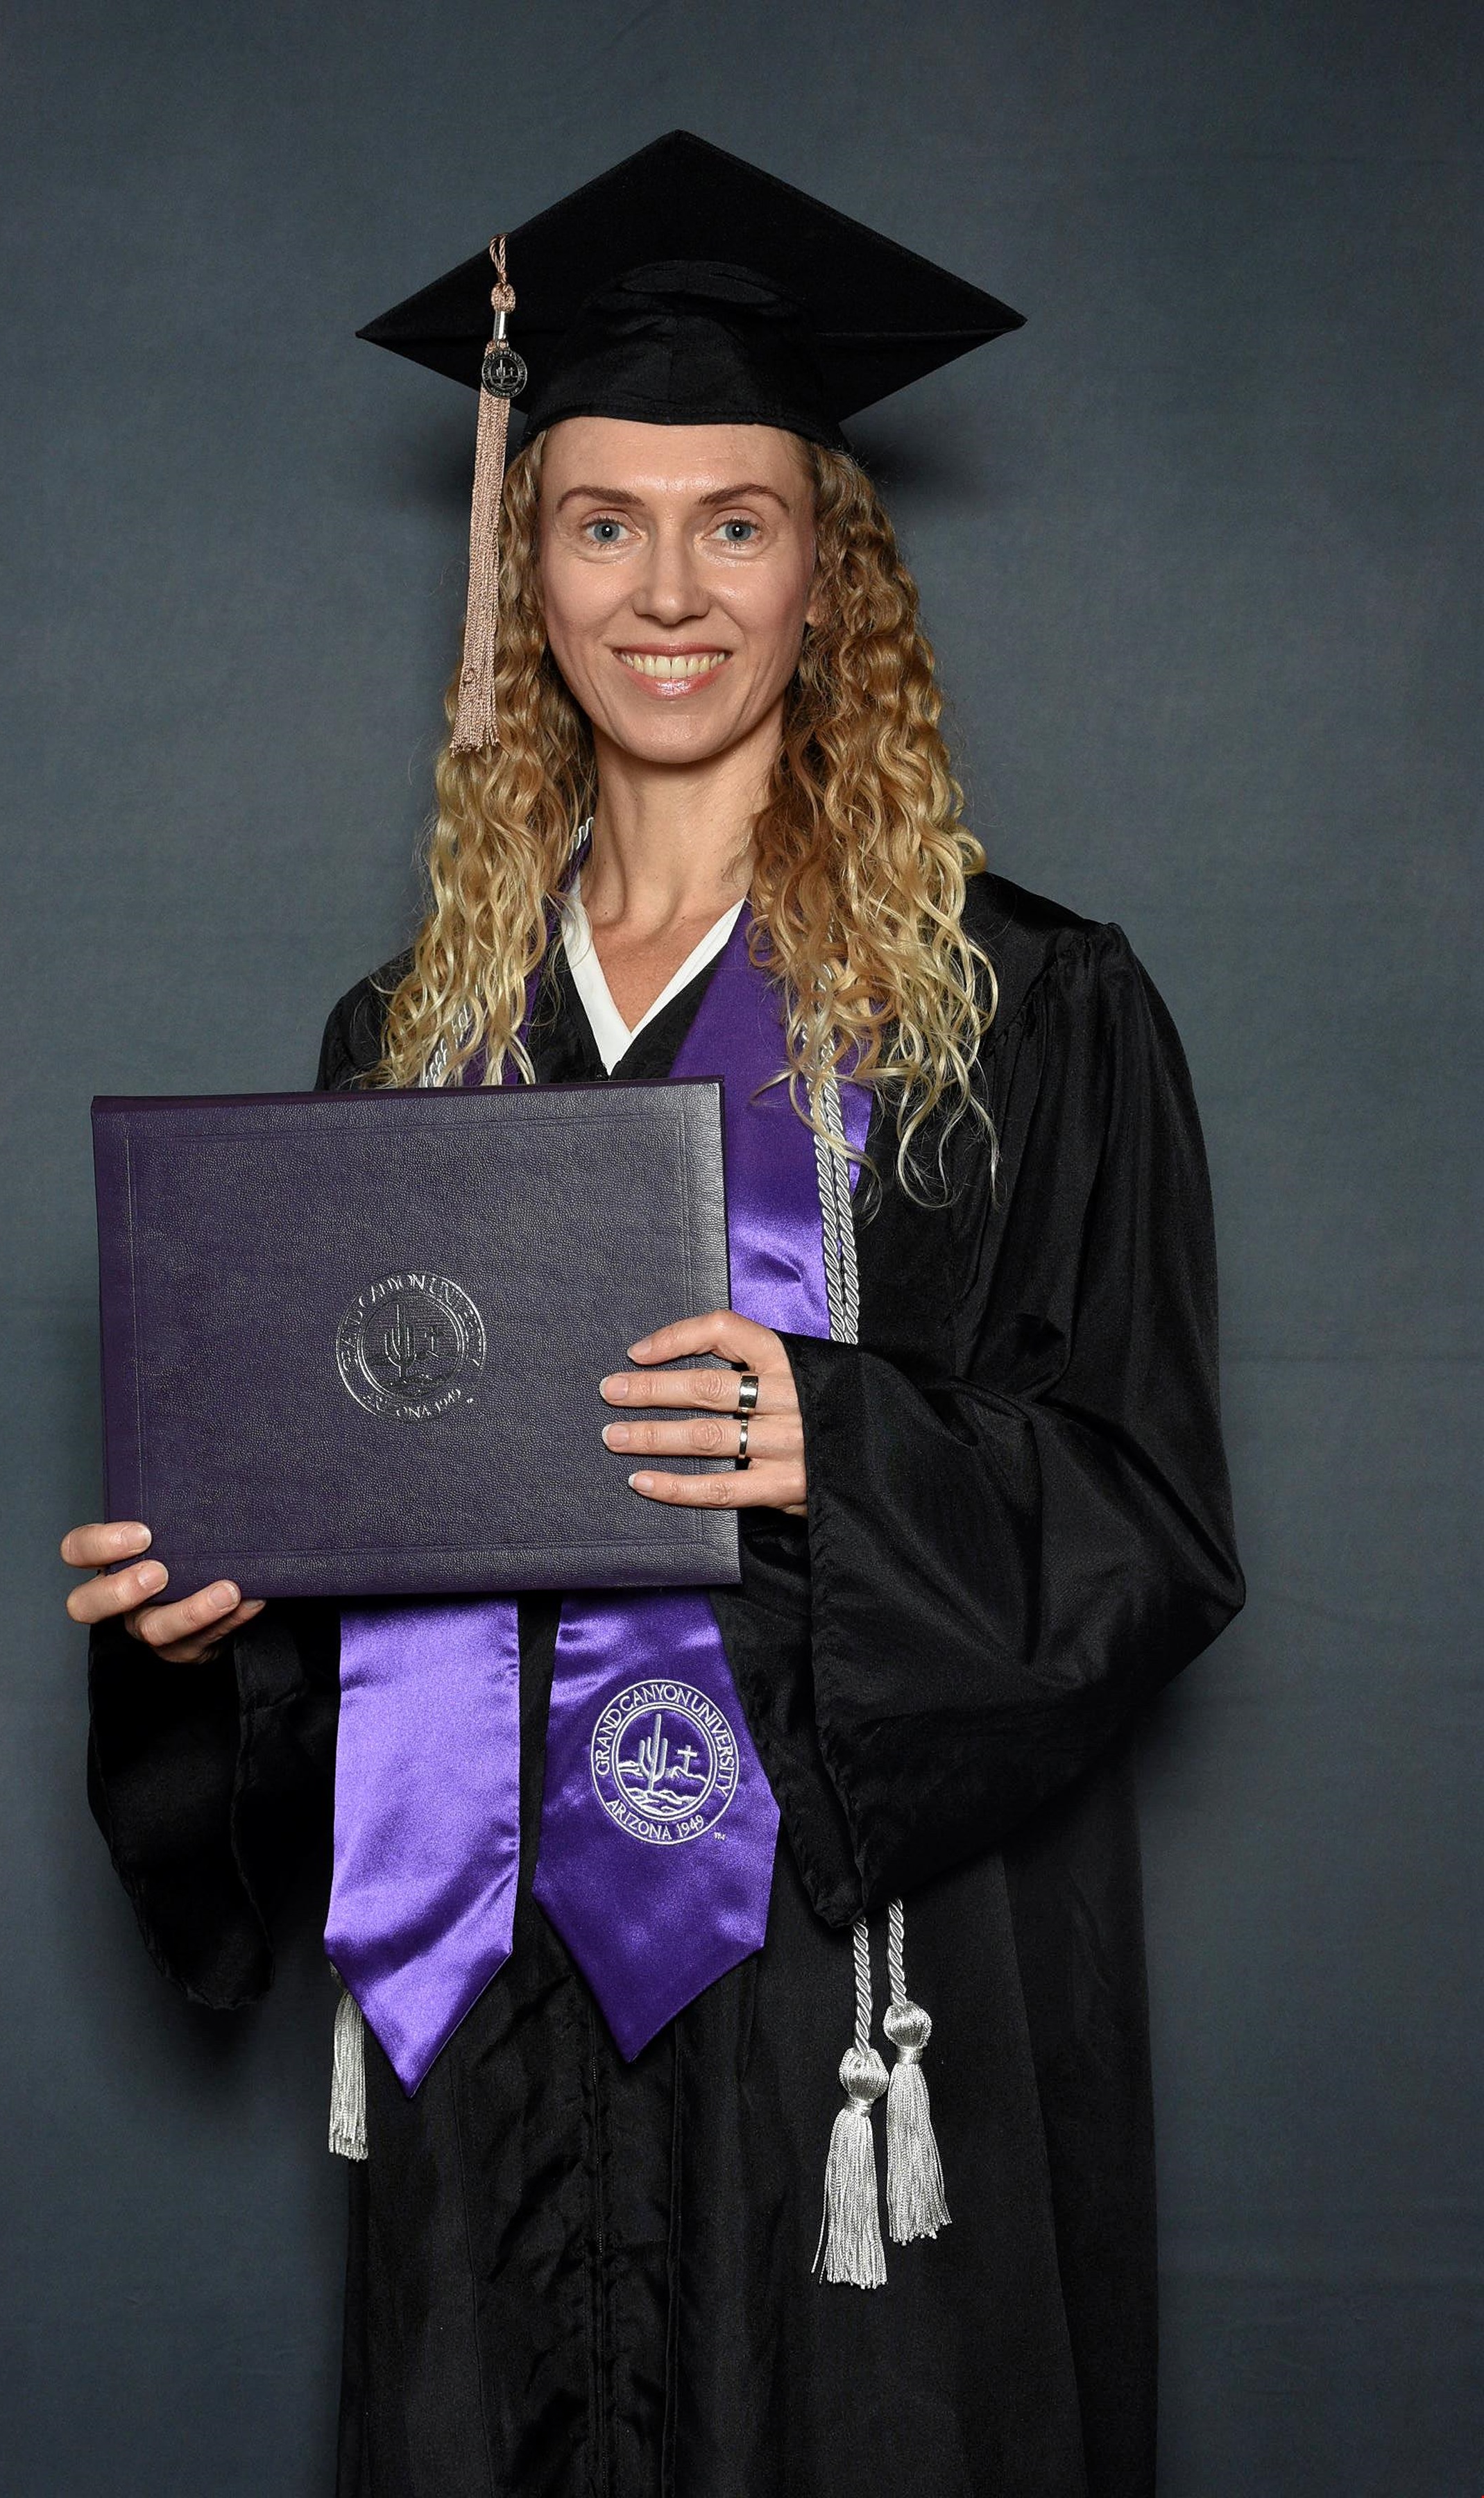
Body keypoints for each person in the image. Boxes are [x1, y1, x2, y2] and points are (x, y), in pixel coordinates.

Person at [60, 133, 1243, 2498]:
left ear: (833, 576)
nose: (670, 588)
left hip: (840, 2001)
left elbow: (1152, 1524)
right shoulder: (413, 1037)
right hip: (496, 2024)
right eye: (603, 521)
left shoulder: (1026, 1018)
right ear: (530, 572)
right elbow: (355, 1573)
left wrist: (850, 1443)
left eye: (739, 521)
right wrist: (198, 1643)